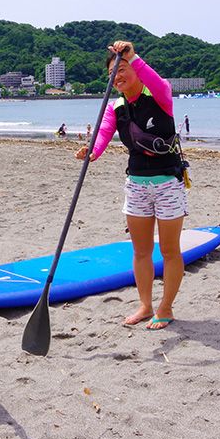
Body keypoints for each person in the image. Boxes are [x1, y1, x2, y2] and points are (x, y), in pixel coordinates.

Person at [75, 40, 187, 330]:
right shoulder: (117, 107)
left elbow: (155, 79)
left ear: (135, 69)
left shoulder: (159, 94)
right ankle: (146, 305)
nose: (118, 76)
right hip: (136, 184)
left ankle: (166, 306)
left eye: (122, 69)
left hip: (167, 184)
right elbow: (103, 134)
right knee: (140, 251)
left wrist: (132, 57)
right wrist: (92, 152)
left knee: (170, 251)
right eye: (113, 73)